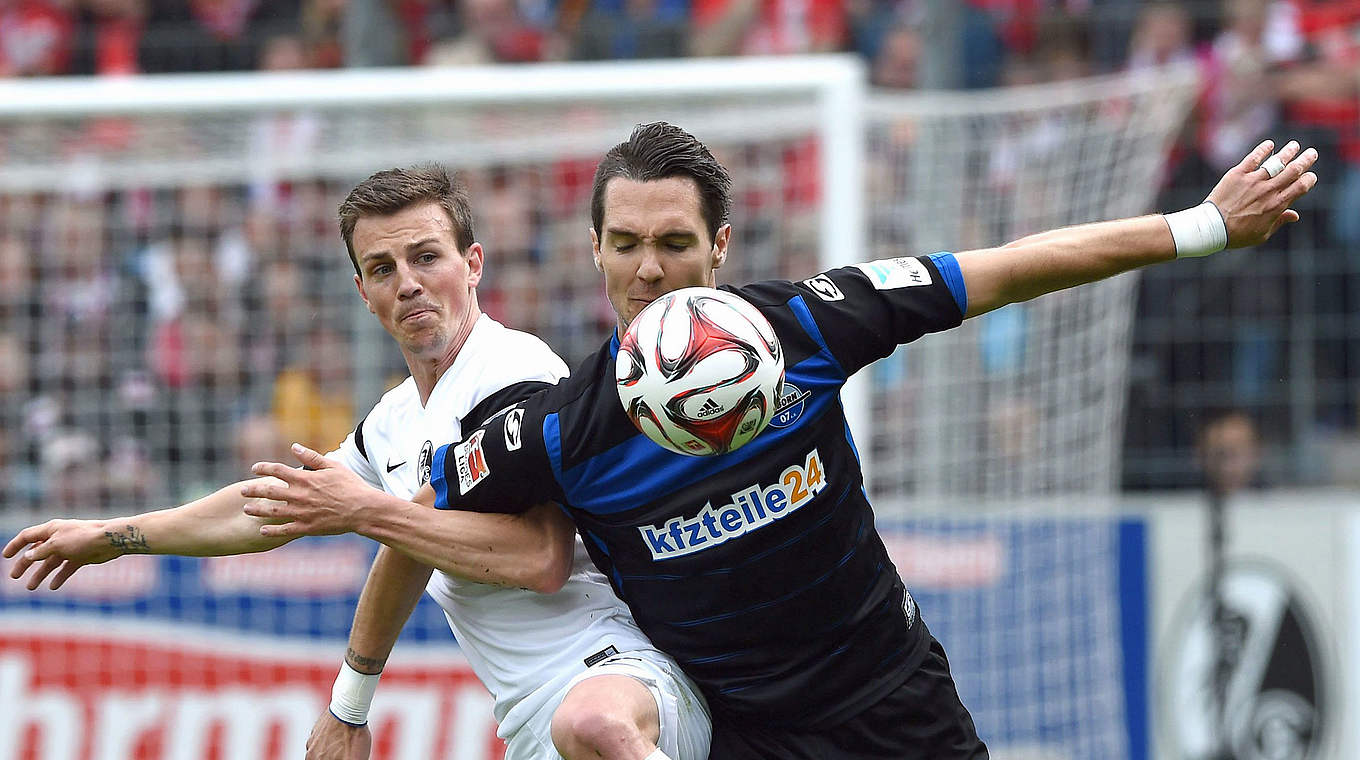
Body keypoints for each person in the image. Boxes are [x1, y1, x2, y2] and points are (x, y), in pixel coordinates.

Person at [232, 122, 1317, 758]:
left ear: (719, 246)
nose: (646, 270)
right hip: (738, 732)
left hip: (893, 703)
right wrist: (350, 697)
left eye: (670, 242)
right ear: (594, 250)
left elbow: (1005, 265)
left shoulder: (806, 324)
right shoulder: (561, 426)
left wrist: (1200, 227)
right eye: (623, 244)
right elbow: (418, 520)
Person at [5, 165, 710, 760]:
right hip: (532, 723)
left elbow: (540, 559)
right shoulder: (396, 421)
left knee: (594, 725)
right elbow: (269, 510)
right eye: (382, 268)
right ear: (363, 293)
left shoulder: (511, 375)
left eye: (426, 257)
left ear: (473, 265)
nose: (407, 282)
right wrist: (112, 536)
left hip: (617, 680)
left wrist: (368, 516)